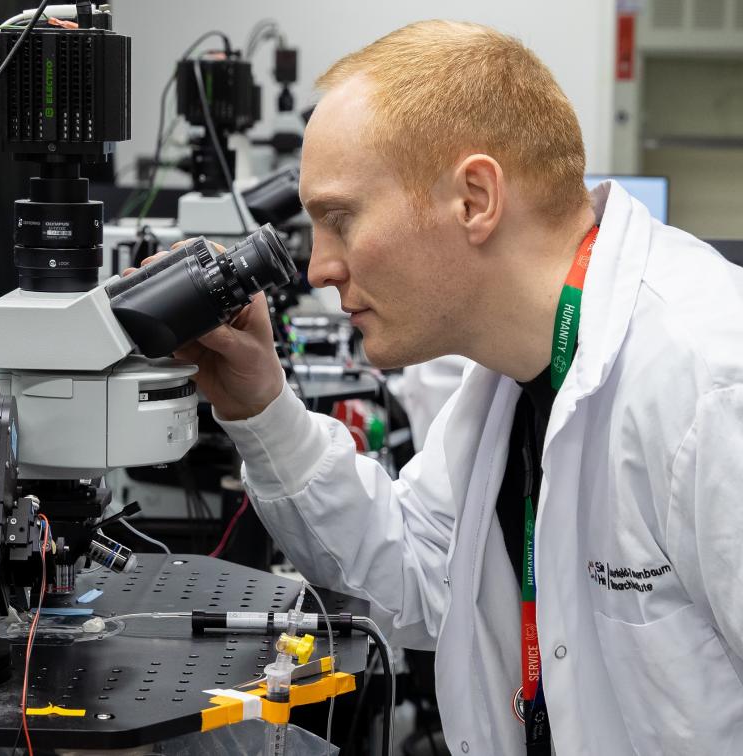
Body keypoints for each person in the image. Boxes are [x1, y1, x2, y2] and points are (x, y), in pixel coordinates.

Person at [159, 20, 743, 755]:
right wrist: (259, 406)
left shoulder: (712, 383)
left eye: (341, 219)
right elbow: (419, 573)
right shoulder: (508, 368)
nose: (319, 270)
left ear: (474, 198)